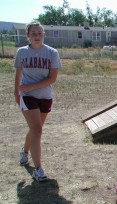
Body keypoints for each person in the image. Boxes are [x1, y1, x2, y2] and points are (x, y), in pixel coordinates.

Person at [14, 20, 62, 181]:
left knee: (35, 129)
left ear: (44, 35)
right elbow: (18, 74)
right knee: (37, 130)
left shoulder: (52, 53)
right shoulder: (22, 52)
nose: (37, 36)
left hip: (45, 96)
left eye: (39, 33)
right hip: (27, 96)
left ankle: (24, 151)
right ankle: (38, 169)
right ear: (28, 36)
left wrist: (32, 86)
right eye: (33, 33)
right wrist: (17, 92)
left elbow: (52, 78)